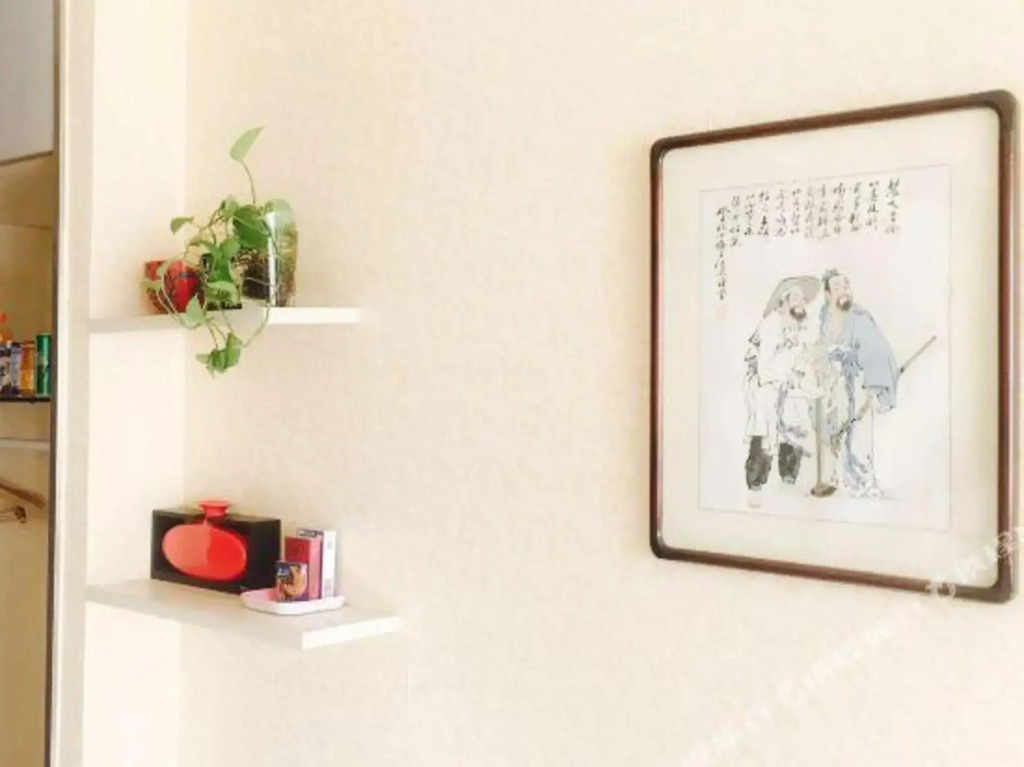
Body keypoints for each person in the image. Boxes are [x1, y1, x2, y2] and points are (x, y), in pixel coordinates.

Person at [811, 269, 898, 499]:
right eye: (837, 287)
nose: (844, 291)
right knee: (832, 434)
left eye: (846, 286)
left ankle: (865, 482)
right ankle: (835, 479)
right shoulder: (824, 317)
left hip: (858, 383)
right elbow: (820, 348)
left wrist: (873, 385)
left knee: (859, 434)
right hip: (831, 386)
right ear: (828, 294)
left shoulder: (860, 318)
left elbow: (877, 351)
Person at [744, 276, 819, 504]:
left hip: (790, 387)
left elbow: (804, 359)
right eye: (796, 297)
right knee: (765, 433)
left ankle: (789, 481)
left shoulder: (799, 327)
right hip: (768, 387)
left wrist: (802, 371)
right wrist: (790, 360)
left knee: (795, 429)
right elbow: (766, 365)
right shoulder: (771, 323)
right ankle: (755, 485)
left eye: (803, 299)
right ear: (783, 300)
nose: (801, 302)